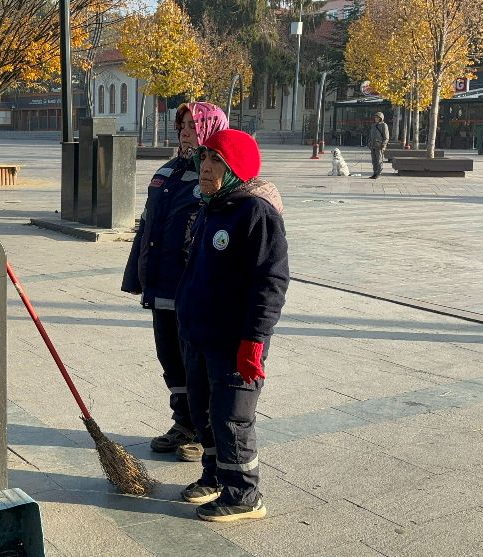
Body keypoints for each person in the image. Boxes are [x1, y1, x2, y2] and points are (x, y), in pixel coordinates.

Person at [175, 129, 289, 523]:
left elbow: (270, 282)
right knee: (203, 411)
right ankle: (214, 476)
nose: (205, 169)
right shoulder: (212, 206)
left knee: (232, 417)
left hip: (234, 341)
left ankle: (244, 494)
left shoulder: (256, 213)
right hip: (199, 335)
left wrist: (254, 340)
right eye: (203, 160)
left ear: (236, 168)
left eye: (216, 162)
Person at [122, 102, 228, 463]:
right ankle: (183, 422)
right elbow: (148, 226)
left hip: (193, 287)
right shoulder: (166, 171)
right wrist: (137, 274)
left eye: (194, 125)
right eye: (182, 125)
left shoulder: (216, 176)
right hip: (161, 284)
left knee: (196, 362)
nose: (185, 131)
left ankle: (204, 429)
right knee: (170, 359)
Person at [368, 112, 389, 179]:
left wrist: (383, 145)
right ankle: (374, 173)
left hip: (379, 146)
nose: (376, 119)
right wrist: (369, 142)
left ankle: (378, 173)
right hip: (373, 145)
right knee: (374, 160)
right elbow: (371, 135)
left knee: (379, 160)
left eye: (377, 117)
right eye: (375, 117)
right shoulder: (373, 125)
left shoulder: (384, 125)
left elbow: (386, 137)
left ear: (381, 118)